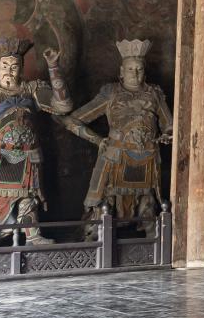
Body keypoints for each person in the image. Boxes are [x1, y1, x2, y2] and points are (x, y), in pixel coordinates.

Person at [0, 43, 72, 246]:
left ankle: (33, 236)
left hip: (27, 156)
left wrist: (53, 67)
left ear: (22, 68)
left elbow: (63, 106)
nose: (10, 70)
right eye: (6, 65)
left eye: (15, 66)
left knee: (28, 198)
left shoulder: (32, 90)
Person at [64, 40, 172, 223]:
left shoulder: (155, 93)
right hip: (115, 156)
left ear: (145, 72)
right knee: (104, 207)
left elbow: (169, 124)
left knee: (148, 205)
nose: (135, 73)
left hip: (147, 157)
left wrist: (168, 135)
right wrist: (97, 140)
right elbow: (72, 121)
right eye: (130, 69)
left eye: (139, 69)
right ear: (121, 71)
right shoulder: (111, 93)